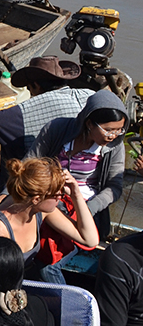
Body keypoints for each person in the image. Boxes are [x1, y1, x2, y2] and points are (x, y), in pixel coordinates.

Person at [0, 157, 99, 285]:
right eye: (59, 195)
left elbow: (89, 240)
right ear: (36, 199)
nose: (61, 199)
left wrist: (76, 195)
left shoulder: (39, 210)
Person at [25, 89, 129, 238]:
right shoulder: (57, 129)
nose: (112, 136)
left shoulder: (114, 146)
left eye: (119, 130)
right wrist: (5, 195)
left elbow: (114, 187)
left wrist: (88, 208)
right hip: (49, 196)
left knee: (85, 240)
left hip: (87, 203)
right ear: (89, 124)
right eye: (108, 130)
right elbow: (29, 162)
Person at [0, 56, 92, 182]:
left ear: (36, 85)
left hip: (42, 175)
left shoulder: (34, 105)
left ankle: (8, 185)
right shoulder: (87, 95)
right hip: (79, 172)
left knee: (10, 142)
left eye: (29, 88)